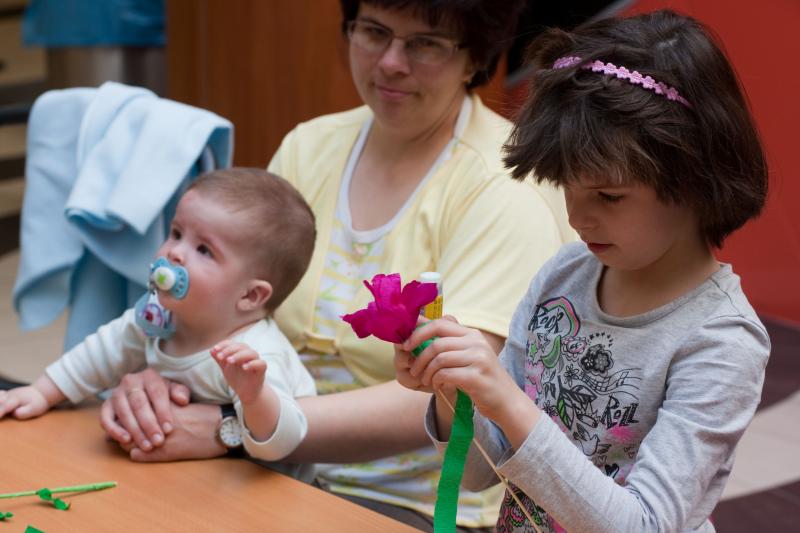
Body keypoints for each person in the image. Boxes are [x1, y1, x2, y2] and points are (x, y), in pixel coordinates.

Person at [98, 1, 574, 530]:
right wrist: (159, 383)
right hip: (273, 468)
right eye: (374, 31)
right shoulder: (311, 145)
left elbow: (458, 395)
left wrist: (231, 426)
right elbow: (226, 310)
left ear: (475, 58)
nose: (391, 62)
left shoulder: (504, 185)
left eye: (425, 43)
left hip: (413, 504)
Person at [395, 9, 770, 532]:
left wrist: (507, 401)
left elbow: (644, 524)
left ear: (694, 178)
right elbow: (482, 468)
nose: (577, 216)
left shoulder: (720, 339)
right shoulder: (564, 275)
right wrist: (453, 390)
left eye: (609, 196)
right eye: (566, 187)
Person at [0, 168, 318, 479]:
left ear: (250, 295)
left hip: (264, 491)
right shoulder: (159, 315)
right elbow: (102, 352)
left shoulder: (254, 357)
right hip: (189, 475)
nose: (174, 253)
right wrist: (41, 393)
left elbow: (283, 444)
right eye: (176, 233)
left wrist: (255, 397)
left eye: (204, 250)